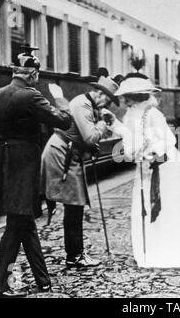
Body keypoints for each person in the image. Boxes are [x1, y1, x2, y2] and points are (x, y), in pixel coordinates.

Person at [0, 45, 72, 298]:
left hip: (2, 164)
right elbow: (63, 121)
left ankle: (43, 281)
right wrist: (61, 102)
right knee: (17, 223)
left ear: (15, 72)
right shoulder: (31, 96)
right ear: (33, 74)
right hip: (24, 164)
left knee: (24, 221)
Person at [103, 72, 180, 268]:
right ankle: (151, 248)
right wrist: (115, 125)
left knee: (168, 204)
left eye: (127, 97)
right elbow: (130, 140)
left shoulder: (154, 114)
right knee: (145, 204)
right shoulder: (130, 115)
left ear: (136, 97)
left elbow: (169, 140)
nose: (124, 100)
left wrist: (153, 153)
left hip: (165, 166)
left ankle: (172, 249)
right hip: (146, 167)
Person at [40, 69, 120, 268]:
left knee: (75, 204)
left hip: (68, 152)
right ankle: (75, 255)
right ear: (100, 94)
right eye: (108, 101)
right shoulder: (83, 104)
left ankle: (74, 253)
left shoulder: (87, 104)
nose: (107, 106)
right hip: (62, 153)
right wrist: (103, 124)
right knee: (74, 204)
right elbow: (90, 137)